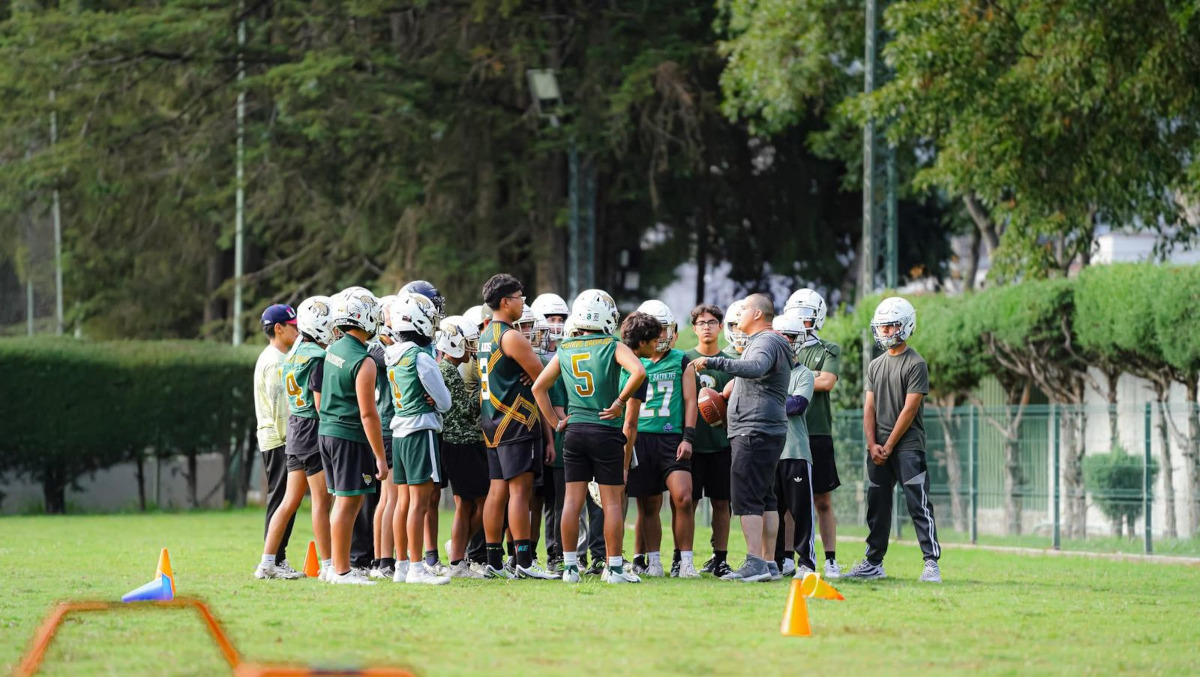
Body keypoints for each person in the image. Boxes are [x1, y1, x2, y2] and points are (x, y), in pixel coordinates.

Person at [532, 295, 652, 584]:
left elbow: (539, 388)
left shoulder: (565, 348)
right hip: (605, 429)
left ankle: (570, 568)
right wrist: (621, 401)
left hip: (573, 432)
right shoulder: (612, 345)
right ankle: (613, 568)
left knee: (571, 502)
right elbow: (639, 371)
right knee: (611, 502)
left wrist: (556, 422)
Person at [692, 293, 793, 583]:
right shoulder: (771, 342)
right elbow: (761, 374)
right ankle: (770, 563)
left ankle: (755, 563)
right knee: (766, 498)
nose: (739, 315)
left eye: (745, 309)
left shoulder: (765, 341)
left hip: (754, 429)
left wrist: (715, 364)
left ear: (759, 314)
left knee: (747, 497)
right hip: (765, 428)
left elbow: (758, 367)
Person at [844, 297, 942, 583]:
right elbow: (869, 407)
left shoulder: (916, 363)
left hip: (908, 448)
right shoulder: (875, 365)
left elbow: (910, 409)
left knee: (918, 504)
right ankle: (874, 563)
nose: (886, 332)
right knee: (878, 505)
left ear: (906, 326)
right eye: (883, 327)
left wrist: (888, 445)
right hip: (878, 450)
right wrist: (872, 444)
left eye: (892, 326)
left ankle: (931, 563)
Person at [477, 274, 557, 579]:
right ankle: (524, 560)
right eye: (519, 296)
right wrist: (536, 371)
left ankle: (494, 563)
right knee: (520, 493)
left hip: (492, 422)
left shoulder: (486, 334)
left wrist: (529, 372)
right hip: (516, 422)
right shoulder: (510, 336)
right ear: (505, 301)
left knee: (496, 492)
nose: (523, 302)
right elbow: (546, 374)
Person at [255, 297, 333, 580]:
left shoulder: (290, 356)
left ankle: (267, 562)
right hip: (308, 430)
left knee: (289, 501)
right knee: (321, 501)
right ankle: (328, 565)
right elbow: (320, 404)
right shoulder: (314, 356)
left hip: (294, 431)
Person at [317, 289, 391, 585]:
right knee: (349, 503)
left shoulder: (333, 349)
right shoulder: (365, 360)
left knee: (342, 502)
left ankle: (336, 567)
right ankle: (342, 570)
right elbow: (368, 414)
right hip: (348, 435)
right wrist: (381, 459)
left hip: (327, 432)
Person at [626, 300, 698, 579]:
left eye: (665, 329)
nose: (661, 336)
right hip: (641, 437)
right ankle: (653, 561)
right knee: (648, 503)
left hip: (671, 438)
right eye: (656, 330)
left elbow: (691, 401)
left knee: (684, 497)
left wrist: (688, 437)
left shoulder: (681, 359)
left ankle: (686, 561)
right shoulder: (634, 359)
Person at [385, 293, 453, 585]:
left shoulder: (392, 354)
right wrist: (434, 400)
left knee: (402, 502)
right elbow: (445, 401)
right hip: (420, 430)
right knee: (419, 503)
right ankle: (416, 567)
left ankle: (401, 565)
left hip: (399, 431)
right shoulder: (421, 357)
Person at [784, 288, 843, 578]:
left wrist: (800, 377)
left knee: (822, 499)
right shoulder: (781, 342)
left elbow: (827, 381)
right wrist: (810, 377)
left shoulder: (828, 349)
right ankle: (785, 556)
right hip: (787, 431)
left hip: (817, 430)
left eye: (807, 316)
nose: (802, 322)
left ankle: (830, 558)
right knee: (786, 500)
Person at [686, 303, 738, 579]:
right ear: (694, 328)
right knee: (687, 503)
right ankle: (682, 558)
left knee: (722, 503)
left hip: (722, 444)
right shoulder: (684, 360)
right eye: (701, 322)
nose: (707, 326)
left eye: (712, 322)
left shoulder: (731, 363)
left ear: (720, 327)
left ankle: (720, 558)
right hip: (693, 445)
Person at [401, 280, 449, 574]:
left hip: (404, 427)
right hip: (420, 424)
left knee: (419, 498)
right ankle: (415, 561)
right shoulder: (412, 352)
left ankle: (410, 561)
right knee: (415, 500)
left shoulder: (408, 348)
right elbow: (443, 400)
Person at [437, 316, 489, 579]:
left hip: (461, 444)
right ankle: (457, 557)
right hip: (462, 444)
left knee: (469, 503)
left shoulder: (446, 370)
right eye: (468, 343)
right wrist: (484, 391)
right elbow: (464, 411)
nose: (471, 348)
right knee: (476, 502)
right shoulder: (447, 372)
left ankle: (457, 551)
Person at [253, 303, 301, 578]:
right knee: (281, 499)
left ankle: (277, 559)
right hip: (279, 440)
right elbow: (279, 407)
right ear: (279, 328)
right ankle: (272, 561)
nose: (297, 330)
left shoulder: (279, 357)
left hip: (281, 439)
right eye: (292, 325)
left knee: (286, 499)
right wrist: (290, 439)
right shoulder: (275, 362)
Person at [771, 314, 817, 577]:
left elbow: (796, 406)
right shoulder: (767, 371)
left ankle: (807, 563)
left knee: (801, 511)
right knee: (772, 511)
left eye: (791, 336)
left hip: (795, 451)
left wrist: (769, 403)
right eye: (782, 336)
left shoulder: (804, 374)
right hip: (770, 452)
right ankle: (775, 562)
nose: (787, 341)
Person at [530, 293, 571, 570]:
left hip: (566, 436)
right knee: (543, 502)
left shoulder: (569, 351)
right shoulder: (531, 356)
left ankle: (566, 553)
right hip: (547, 436)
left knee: (564, 501)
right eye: (550, 319)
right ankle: (543, 554)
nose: (556, 325)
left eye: (560, 319)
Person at [367, 294, 399, 581]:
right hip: (390, 426)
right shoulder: (382, 350)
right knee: (391, 496)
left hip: (385, 425)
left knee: (386, 498)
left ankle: (380, 559)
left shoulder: (375, 348)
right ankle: (386, 560)